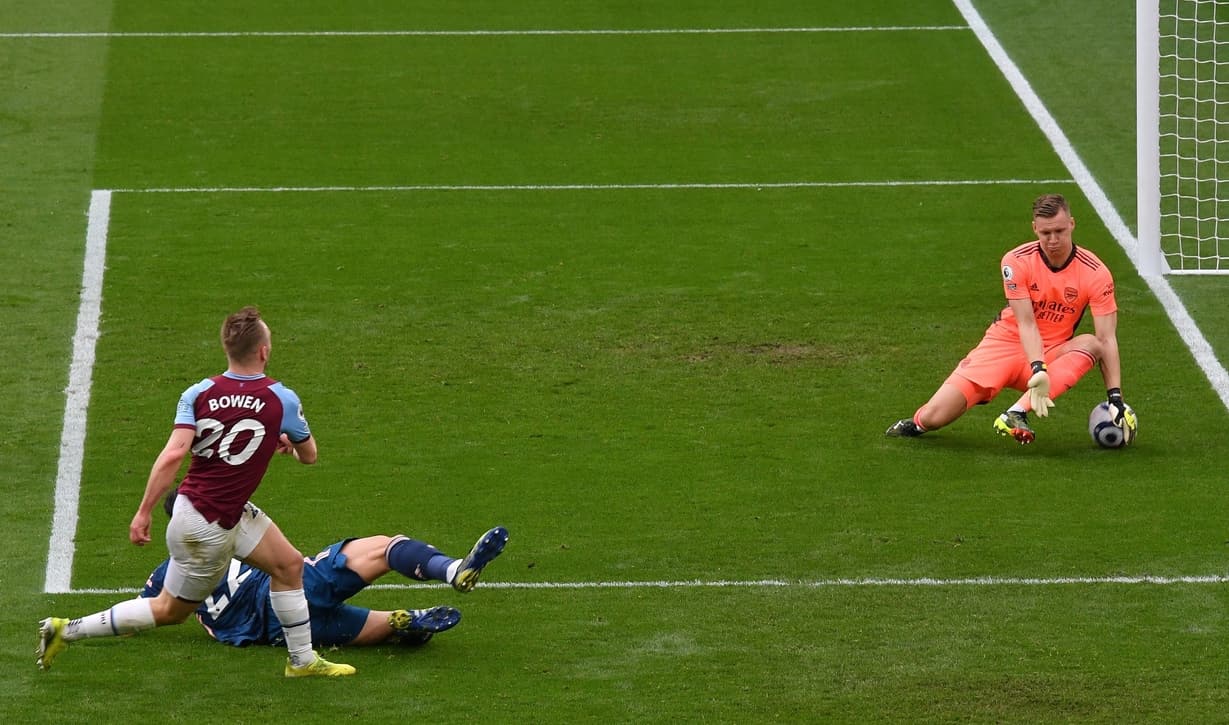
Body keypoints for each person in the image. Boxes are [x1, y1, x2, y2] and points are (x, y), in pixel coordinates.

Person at [39, 307, 355, 677]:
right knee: (169, 611)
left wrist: (143, 512)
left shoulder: (198, 392)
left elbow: (176, 453)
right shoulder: (281, 399)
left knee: (288, 565)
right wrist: (284, 439)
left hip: (208, 511)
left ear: (227, 348)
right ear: (264, 351)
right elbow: (309, 456)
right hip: (210, 529)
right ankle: (66, 629)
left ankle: (302, 661)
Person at [885, 193, 1135, 445]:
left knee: (1092, 343)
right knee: (934, 417)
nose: (1053, 240)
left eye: (1059, 230)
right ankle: (917, 424)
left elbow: (1107, 338)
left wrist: (1115, 398)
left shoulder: (1095, 273)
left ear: (1072, 224)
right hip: (1003, 345)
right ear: (1034, 228)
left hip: (1053, 351)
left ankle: (1015, 413)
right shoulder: (1016, 261)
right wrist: (1038, 368)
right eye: (1045, 233)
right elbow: (1026, 322)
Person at [141, 490, 509, 649]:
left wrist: (94, 625)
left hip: (275, 634)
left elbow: (147, 611)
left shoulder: (169, 572)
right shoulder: (235, 536)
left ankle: (401, 622)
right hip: (290, 594)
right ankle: (452, 570)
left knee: (363, 625)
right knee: (384, 547)